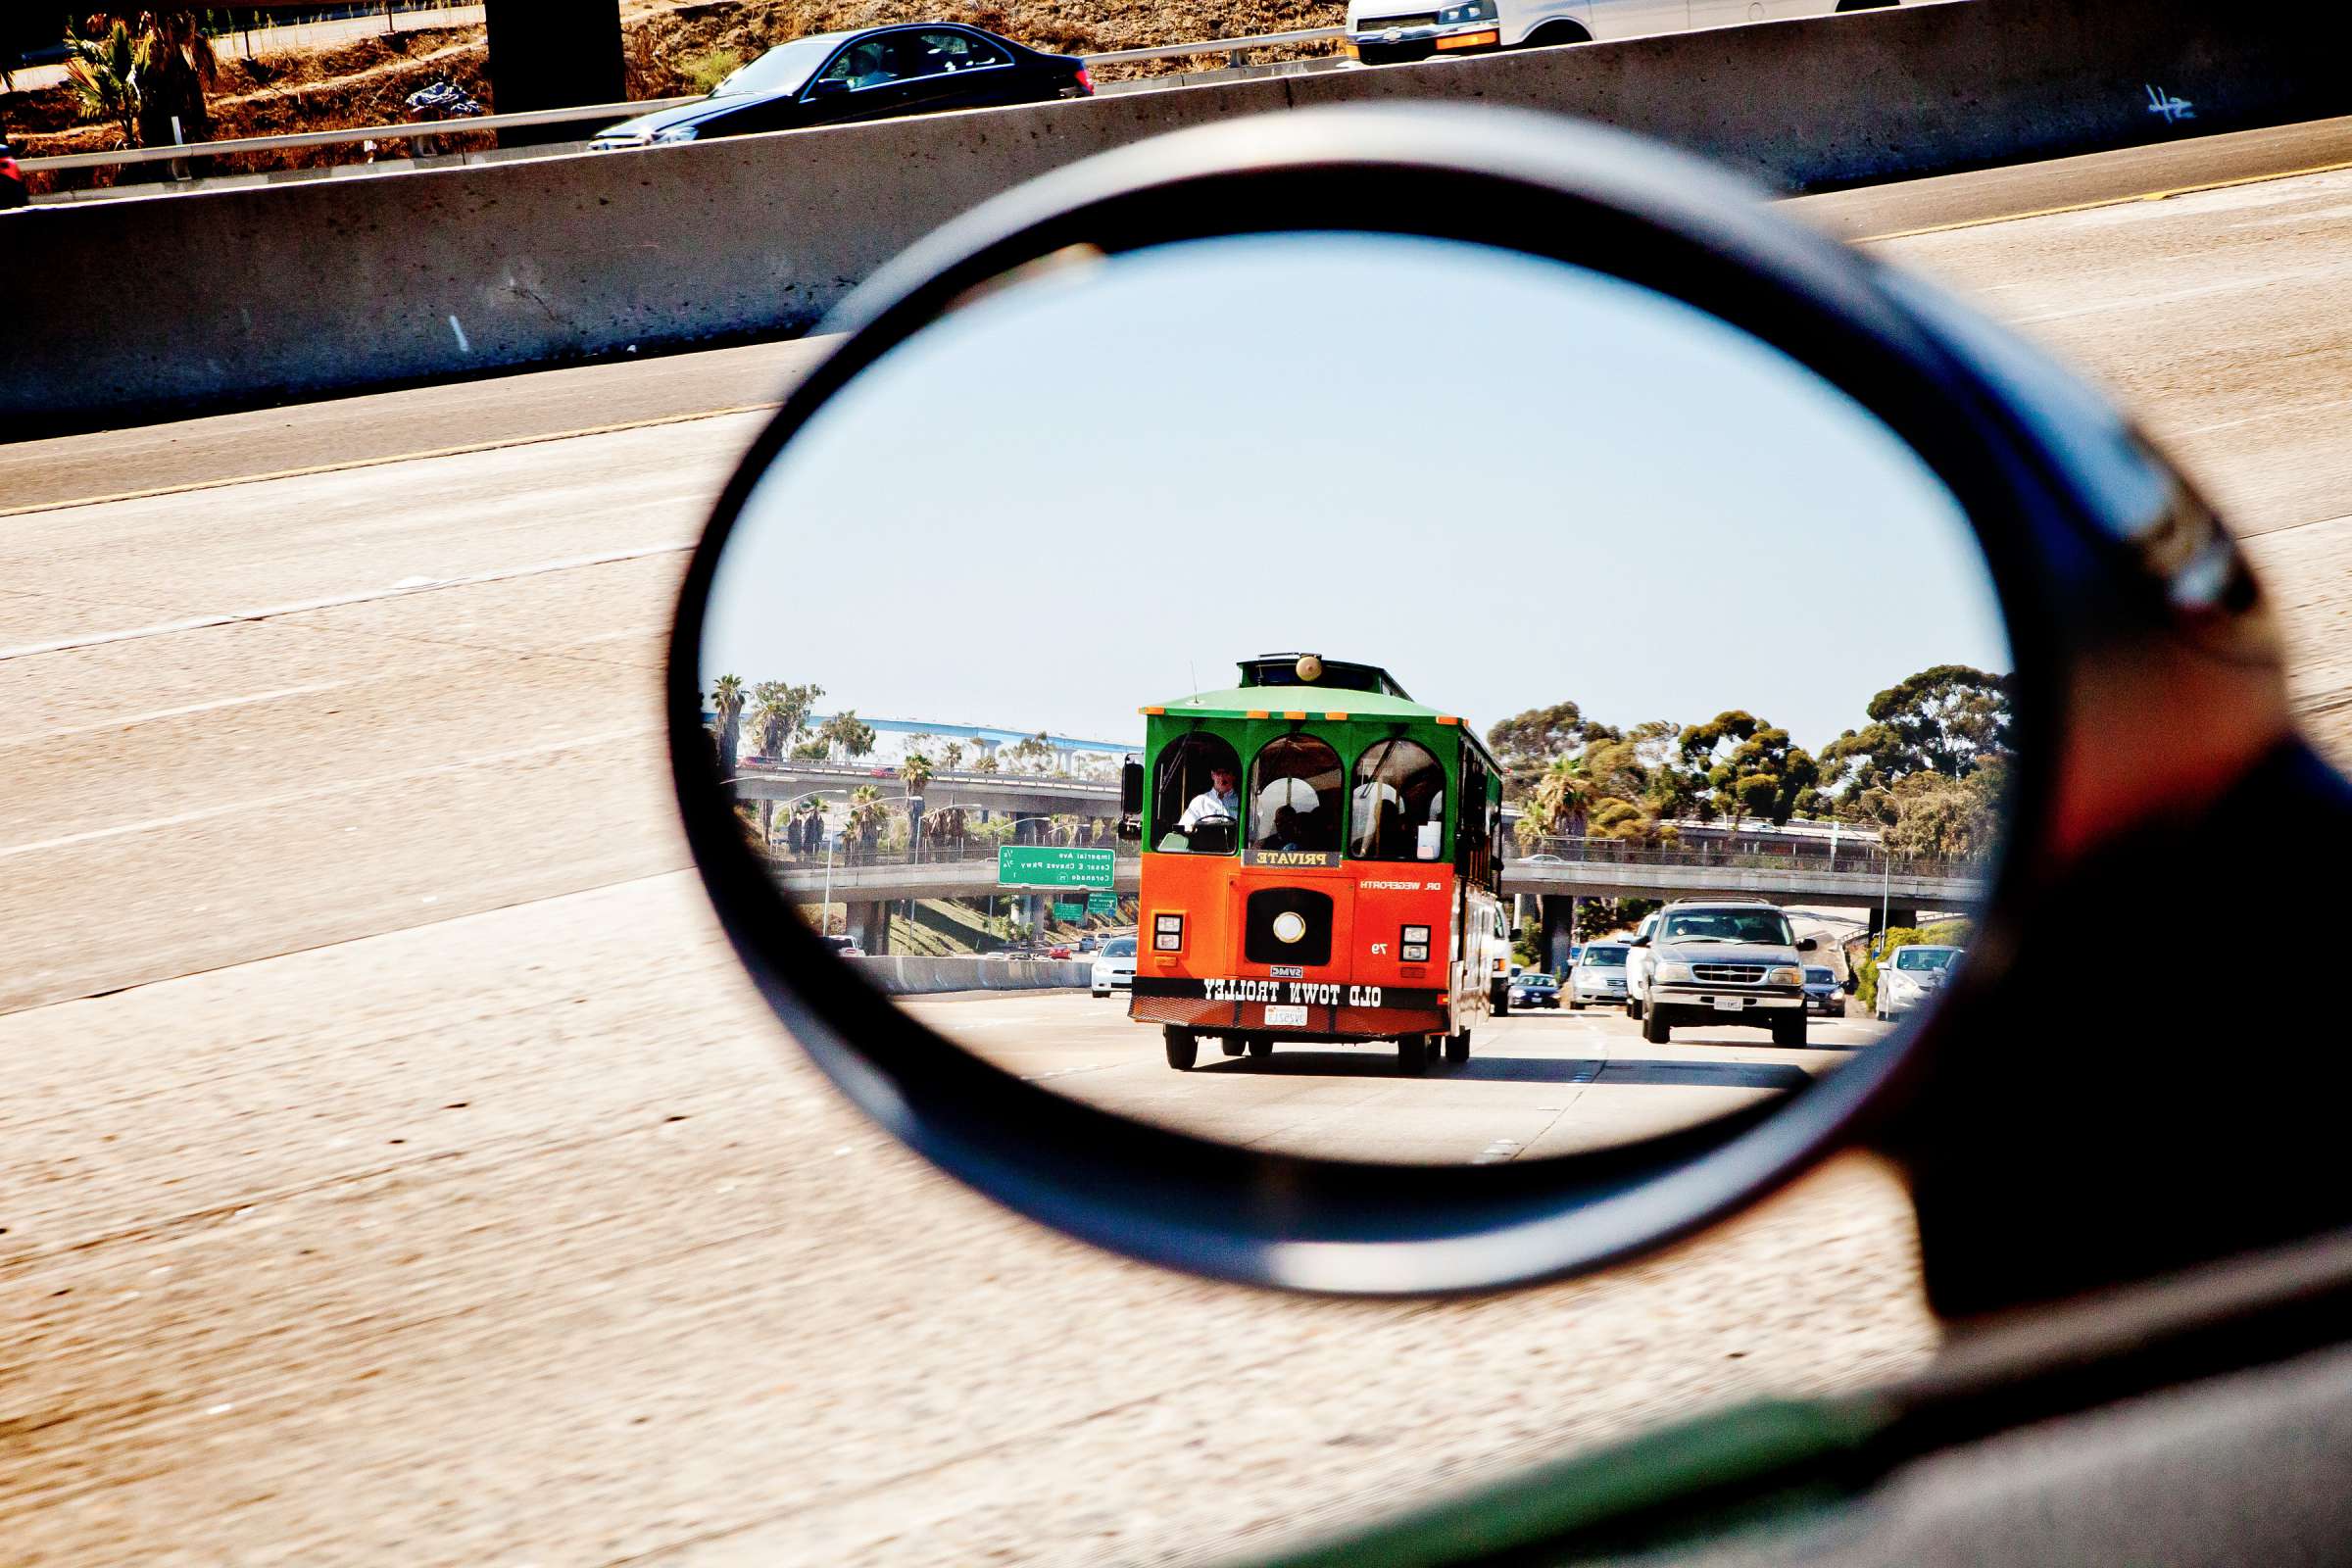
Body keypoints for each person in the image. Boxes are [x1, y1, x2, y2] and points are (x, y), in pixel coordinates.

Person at [1178, 763, 1241, 834]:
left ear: (1233, 776)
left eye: (1226, 772)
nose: (1222, 777)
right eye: (1218, 773)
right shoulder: (1199, 801)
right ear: (1212, 775)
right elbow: (1185, 828)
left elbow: (1252, 833)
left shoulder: (1243, 802)